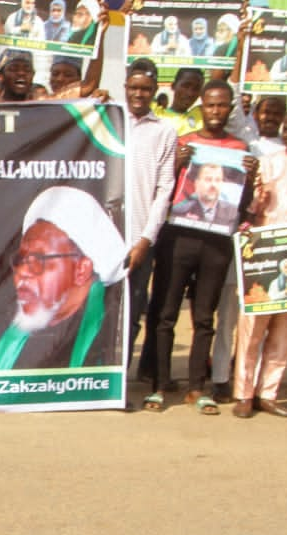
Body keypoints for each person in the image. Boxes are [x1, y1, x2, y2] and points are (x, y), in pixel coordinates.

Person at [144, 79, 257, 414]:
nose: (216, 112)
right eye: (210, 105)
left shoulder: (239, 149)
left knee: (204, 317)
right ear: (201, 107)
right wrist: (178, 164)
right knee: (165, 314)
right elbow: (163, 188)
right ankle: (160, 386)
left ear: (230, 108)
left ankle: (197, 388)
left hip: (217, 242)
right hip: (178, 238)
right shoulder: (185, 143)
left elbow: (243, 204)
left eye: (223, 105)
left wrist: (248, 178)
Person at [0, 187, 125, 371]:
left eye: (38, 260)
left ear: (81, 270)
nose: (22, 272)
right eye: (21, 260)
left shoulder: (100, 342)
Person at [122, 59, 178, 391]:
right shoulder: (110, 122)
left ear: (155, 91)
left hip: (139, 239)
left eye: (145, 89)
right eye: (133, 88)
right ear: (125, 88)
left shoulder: (165, 131)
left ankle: (119, 384)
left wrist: (145, 239)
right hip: (107, 235)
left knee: (131, 315)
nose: (139, 94)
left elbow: (165, 190)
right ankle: (93, 380)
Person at [170, 162, 239, 230]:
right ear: (197, 184)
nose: (213, 185)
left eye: (218, 180)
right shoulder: (180, 211)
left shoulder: (233, 213)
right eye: (208, 180)